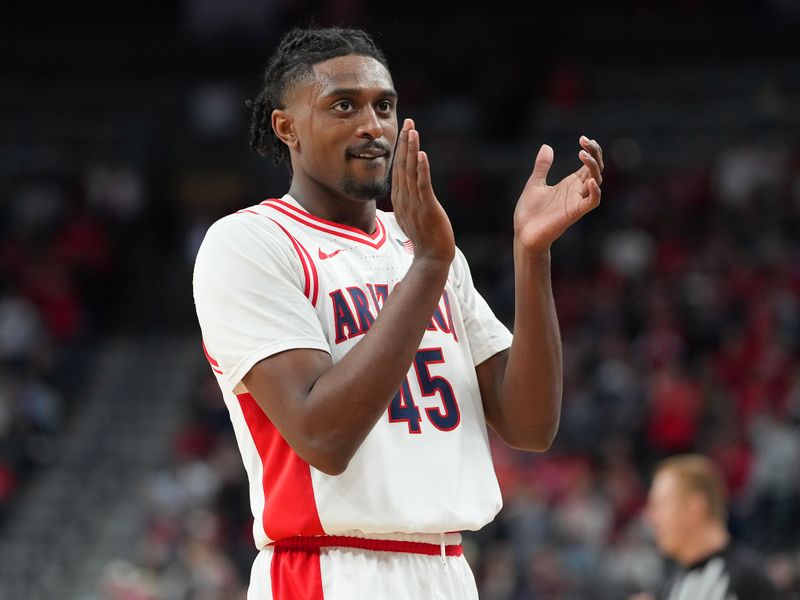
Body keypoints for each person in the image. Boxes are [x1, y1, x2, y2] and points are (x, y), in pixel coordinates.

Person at [193, 26, 604, 599]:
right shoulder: (250, 244)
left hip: (448, 568)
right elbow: (324, 435)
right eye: (344, 106)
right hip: (330, 570)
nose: (372, 125)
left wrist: (531, 256)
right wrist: (431, 265)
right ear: (286, 127)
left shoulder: (426, 249)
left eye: (384, 106)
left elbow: (530, 425)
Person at [636, 454, 779, 600]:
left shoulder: (749, 582)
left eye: (660, 505)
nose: (651, 518)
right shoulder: (671, 588)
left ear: (694, 508)